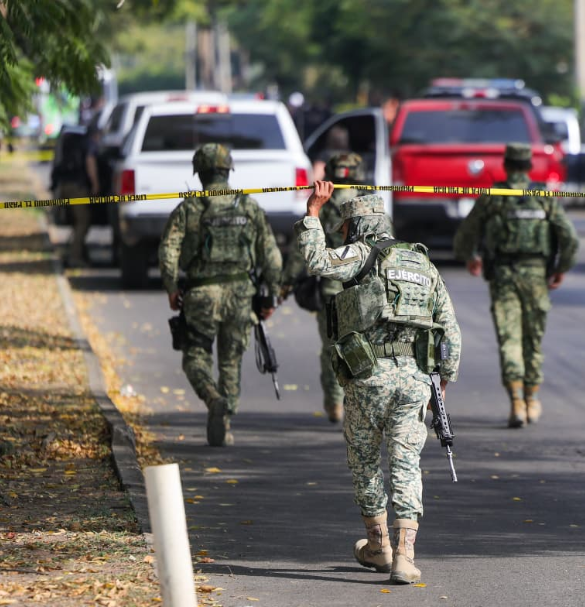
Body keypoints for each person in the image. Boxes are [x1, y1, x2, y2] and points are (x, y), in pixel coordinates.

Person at [295, 183, 462, 585]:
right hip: (416, 377)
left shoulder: (362, 253)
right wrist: (444, 379)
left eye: (346, 228)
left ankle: (378, 545)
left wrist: (313, 214)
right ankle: (405, 556)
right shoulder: (423, 262)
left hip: (369, 375)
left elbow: (317, 260)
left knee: (365, 461)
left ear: (356, 227)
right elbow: (450, 331)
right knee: (406, 463)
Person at [158, 143, 283, 447]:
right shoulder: (248, 207)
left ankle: (212, 398)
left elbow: (168, 250)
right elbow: (273, 258)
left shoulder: (190, 207)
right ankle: (225, 420)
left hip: (201, 293)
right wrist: (271, 297)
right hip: (241, 295)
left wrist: (172, 287)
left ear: (199, 173)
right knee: (231, 359)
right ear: (228, 171)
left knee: (195, 356)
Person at [453, 143, 580, 428]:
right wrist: (561, 268)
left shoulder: (494, 196)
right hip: (536, 276)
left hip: (503, 275)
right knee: (533, 339)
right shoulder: (543, 197)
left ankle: (516, 403)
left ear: (506, 165)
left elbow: (466, 233)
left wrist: (469, 257)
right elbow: (570, 237)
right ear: (529, 167)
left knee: (509, 338)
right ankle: (533, 398)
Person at [280, 153, 367, 423]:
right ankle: (357, 402)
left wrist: (286, 282)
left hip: (330, 290)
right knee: (362, 346)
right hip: (362, 292)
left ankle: (334, 401)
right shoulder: (368, 205)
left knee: (332, 348)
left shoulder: (323, 204)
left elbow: (302, 249)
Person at [52, 124, 100, 267]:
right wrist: (95, 183)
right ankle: (75, 257)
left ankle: (78, 253)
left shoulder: (72, 143)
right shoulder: (89, 144)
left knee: (77, 221)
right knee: (83, 222)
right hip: (78, 188)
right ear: (95, 135)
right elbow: (90, 161)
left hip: (65, 186)